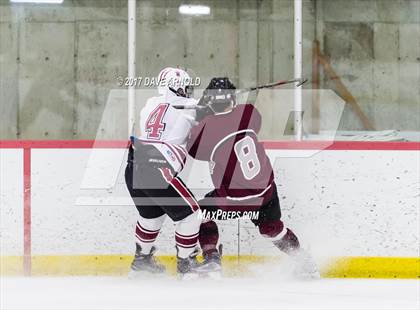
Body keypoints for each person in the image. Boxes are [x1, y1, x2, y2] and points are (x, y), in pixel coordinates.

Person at [187, 77, 319, 278]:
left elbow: (194, 151)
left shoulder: (207, 127)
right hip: (266, 191)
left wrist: (201, 115)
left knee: (200, 213)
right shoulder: (248, 112)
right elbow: (249, 123)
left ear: (209, 100)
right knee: (271, 228)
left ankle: (212, 259)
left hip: (235, 199)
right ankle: (305, 261)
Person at [125, 67, 202, 278]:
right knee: (191, 214)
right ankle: (186, 266)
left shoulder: (149, 104)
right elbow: (208, 110)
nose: (188, 91)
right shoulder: (191, 106)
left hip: (134, 165)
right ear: (177, 86)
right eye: (186, 86)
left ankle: (141, 263)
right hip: (156, 167)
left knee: (152, 216)